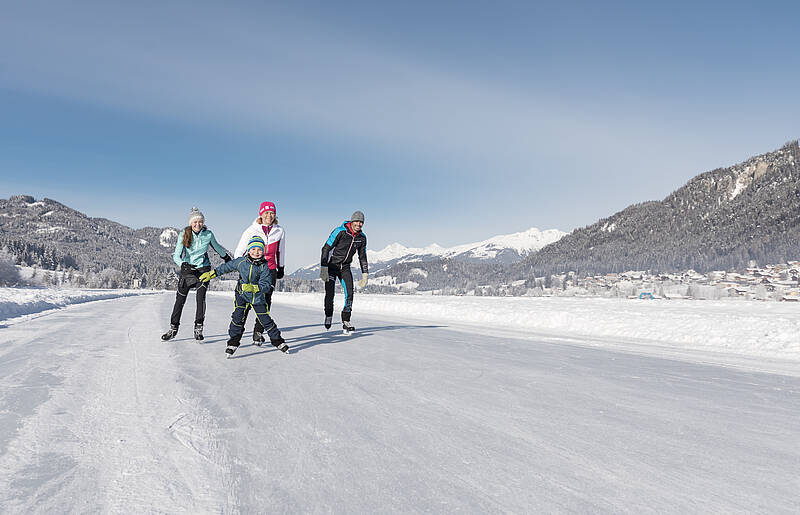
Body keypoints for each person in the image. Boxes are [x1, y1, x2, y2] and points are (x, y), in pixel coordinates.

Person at [199, 235, 288, 357]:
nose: (256, 252)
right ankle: (233, 341)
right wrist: (212, 273)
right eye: (253, 249)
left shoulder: (264, 267)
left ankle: (277, 340)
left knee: (265, 319)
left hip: (257, 297)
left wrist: (256, 288)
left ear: (263, 251)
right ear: (248, 250)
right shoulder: (241, 261)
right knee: (237, 317)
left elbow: (267, 284)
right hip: (241, 295)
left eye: (259, 250)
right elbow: (226, 267)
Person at [162, 207, 231, 342]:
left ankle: (198, 328)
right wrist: (183, 264)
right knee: (180, 300)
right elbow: (176, 255)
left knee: (201, 299)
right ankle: (173, 329)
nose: (197, 224)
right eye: (195, 222)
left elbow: (217, 247)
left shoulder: (208, 234)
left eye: (200, 221)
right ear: (190, 223)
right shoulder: (184, 234)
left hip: (203, 269)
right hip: (188, 269)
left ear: (203, 222)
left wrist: (227, 258)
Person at [233, 201, 286, 343]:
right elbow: (239, 252)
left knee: (266, 301)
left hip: (270, 269)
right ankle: (237, 332)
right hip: (252, 270)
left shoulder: (279, 231)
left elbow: (281, 250)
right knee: (247, 301)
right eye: (266, 213)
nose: (269, 215)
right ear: (261, 214)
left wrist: (281, 267)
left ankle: (258, 331)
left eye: (272, 213)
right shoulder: (251, 230)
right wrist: (242, 268)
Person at [320, 210, 369, 332]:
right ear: (352, 221)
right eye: (357, 221)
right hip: (331, 267)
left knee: (350, 294)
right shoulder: (340, 232)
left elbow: (362, 256)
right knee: (330, 294)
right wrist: (324, 267)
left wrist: (365, 274)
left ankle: (346, 320)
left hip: (345, 268)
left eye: (361, 222)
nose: (359, 224)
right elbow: (325, 248)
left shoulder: (362, 238)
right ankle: (329, 314)